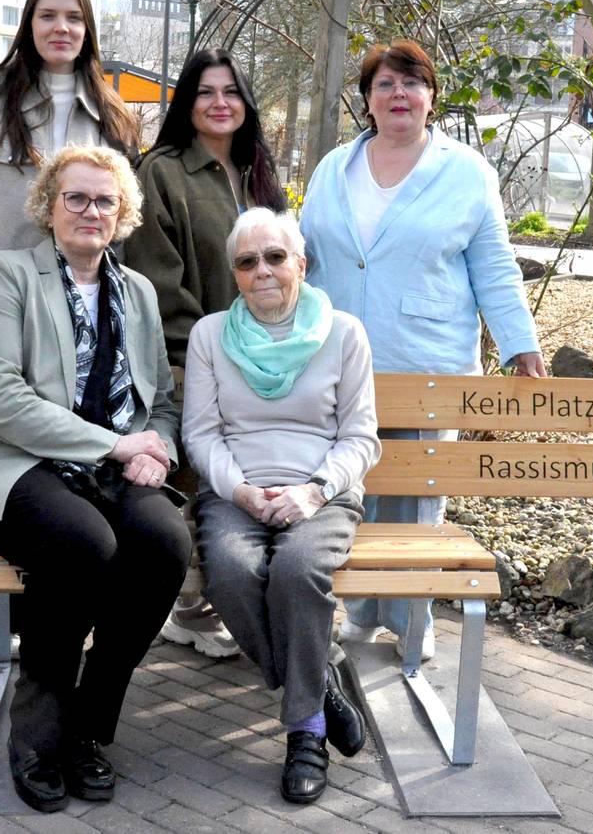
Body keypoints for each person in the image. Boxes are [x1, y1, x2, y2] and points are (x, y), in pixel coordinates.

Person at [0, 145, 191, 813]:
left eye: (104, 200)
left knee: (166, 547)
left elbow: (160, 404)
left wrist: (156, 452)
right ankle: (37, 732)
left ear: (122, 214)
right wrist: (115, 444)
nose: (90, 210)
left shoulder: (136, 293)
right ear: (49, 208)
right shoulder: (9, 274)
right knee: (85, 544)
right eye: (75, 198)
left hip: (109, 471)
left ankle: (87, 725)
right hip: (14, 465)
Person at [300, 38, 545, 662]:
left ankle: (412, 618)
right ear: (368, 99)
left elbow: (494, 265)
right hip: (341, 360)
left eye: (411, 83)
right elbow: (308, 256)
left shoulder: (465, 172)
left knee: (416, 493)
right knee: (355, 486)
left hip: (427, 358)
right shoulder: (334, 167)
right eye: (385, 84)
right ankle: (359, 610)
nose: (399, 94)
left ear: (431, 97)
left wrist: (520, 345)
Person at [182, 208, 381, 804]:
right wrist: (239, 489)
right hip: (235, 491)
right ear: (235, 274)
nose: (262, 271)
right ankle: (321, 686)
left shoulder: (345, 333)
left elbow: (361, 436)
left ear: (302, 263)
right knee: (234, 577)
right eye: (247, 262)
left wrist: (314, 490)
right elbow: (201, 433)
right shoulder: (210, 335)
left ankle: (307, 733)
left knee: (297, 573)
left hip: (322, 491)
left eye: (275, 257)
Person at [123, 48, 286, 658]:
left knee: (257, 471)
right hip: (188, 357)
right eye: (205, 93)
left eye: (231, 91)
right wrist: (223, 348)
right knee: (196, 478)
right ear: (186, 105)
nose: (220, 103)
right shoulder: (162, 172)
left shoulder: (259, 175)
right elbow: (159, 284)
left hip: (264, 358)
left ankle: (241, 595)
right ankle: (190, 607)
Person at [0, 0, 138, 372]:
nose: (61, 27)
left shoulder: (112, 116)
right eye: (47, 16)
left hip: (83, 310)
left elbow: (121, 227)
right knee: (0, 426)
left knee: (72, 430)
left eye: (74, 18)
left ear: (87, 29)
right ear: (29, 24)